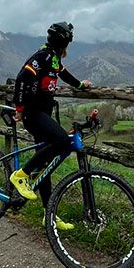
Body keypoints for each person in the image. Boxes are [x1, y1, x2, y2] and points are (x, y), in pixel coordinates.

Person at [9, 22, 92, 230]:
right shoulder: (43, 56)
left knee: (44, 165)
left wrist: (80, 85)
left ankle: (49, 216)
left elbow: (63, 74)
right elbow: (21, 79)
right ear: (63, 43)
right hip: (33, 114)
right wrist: (19, 109)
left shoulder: (53, 59)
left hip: (41, 114)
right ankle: (21, 175)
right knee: (63, 140)